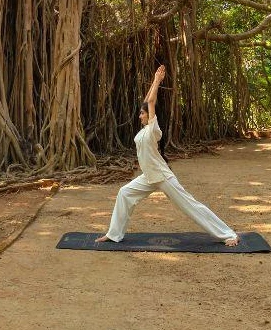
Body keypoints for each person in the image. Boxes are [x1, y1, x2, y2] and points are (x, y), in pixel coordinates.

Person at [96, 65, 240, 247]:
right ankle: (114, 234)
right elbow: (146, 101)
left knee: (190, 205)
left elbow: (151, 102)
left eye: (142, 113)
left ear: (150, 116)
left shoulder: (153, 130)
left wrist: (157, 81)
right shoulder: (144, 131)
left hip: (162, 176)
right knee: (124, 193)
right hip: (148, 177)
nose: (139, 116)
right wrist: (153, 81)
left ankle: (228, 234)